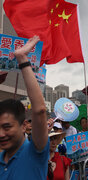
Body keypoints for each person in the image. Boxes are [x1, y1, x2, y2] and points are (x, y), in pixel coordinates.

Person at [0, 36, 49, 179]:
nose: (1, 134)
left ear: (24, 126)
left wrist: (22, 59)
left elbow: (39, 111)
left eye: (7, 127)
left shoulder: (35, 152)